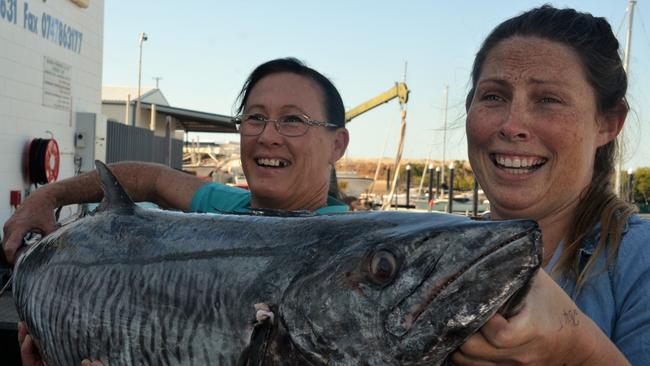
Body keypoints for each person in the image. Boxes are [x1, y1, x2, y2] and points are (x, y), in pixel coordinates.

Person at [3, 57, 350, 365]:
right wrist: (46, 198)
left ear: (338, 144)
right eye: (255, 118)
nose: (268, 135)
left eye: (293, 120)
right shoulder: (233, 209)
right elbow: (152, 178)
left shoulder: (345, 258)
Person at [452, 5, 650, 366]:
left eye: (548, 100)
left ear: (608, 123)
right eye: (494, 96)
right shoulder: (441, 256)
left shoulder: (641, 262)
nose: (512, 125)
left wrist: (580, 350)